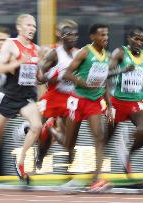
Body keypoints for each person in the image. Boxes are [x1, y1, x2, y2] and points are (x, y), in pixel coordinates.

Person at [0, 14, 42, 184]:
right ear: (19, 27)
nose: (32, 28)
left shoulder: (36, 48)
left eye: (34, 26)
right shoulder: (10, 44)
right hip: (9, 96)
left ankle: (20, 163)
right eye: (28, 25)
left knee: (36, 126)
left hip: (27, 97)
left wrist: (46, 73)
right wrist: (19, 62)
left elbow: (39, 77)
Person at [63, 24, 111, 190]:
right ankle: (51, 130)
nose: (105, 38)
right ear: (92, 37)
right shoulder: (84, 52)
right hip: (78, 99)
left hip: (94, 101)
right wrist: (83, 83)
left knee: (99, 137)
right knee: (69, 142)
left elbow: (105, 82)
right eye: (102, 35)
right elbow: (67, 74)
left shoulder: (107, 56)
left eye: (106, 35)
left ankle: (95, 180)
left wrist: (109, 105)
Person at [104, 26, 143, 174]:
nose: (139, 42)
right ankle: (98, 169)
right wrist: (122, 70)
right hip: (117, 101)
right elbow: (106, 74)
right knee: (107, 139)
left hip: (135, 101)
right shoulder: (120, 53)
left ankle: (127, 154)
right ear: (129, 39)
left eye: (142, 40)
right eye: (136, 38)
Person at [35, 20, 79, 169]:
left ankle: (71, 163)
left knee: (70, 136)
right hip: (53, 94)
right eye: (66, 32)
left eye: (73, 33)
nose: (70, 36)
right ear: (59, 34)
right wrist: (55, 76)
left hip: (70, 97)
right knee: (37, 128)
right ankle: (40, 153)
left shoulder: (79, 53)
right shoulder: (50, 51)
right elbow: (40, 77)